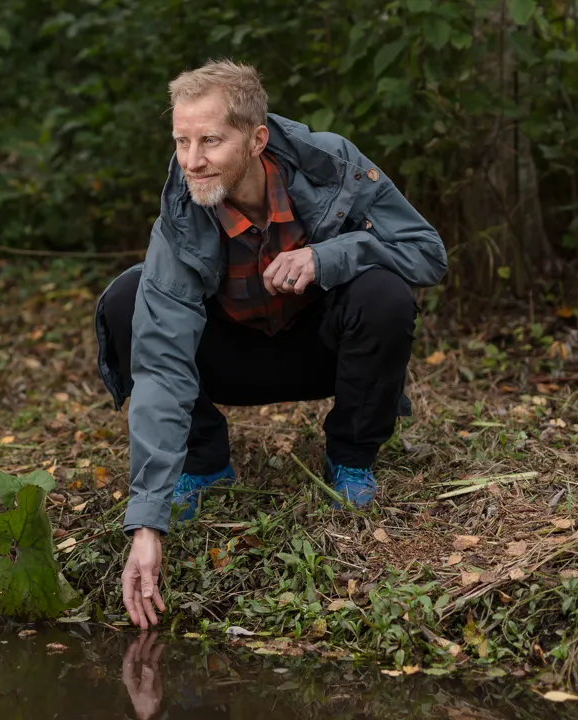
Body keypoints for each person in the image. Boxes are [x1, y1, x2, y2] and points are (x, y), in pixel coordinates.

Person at [93, 60, 448, 629]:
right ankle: (205, 464)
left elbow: (426, 253)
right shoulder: (183, 204)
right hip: (231, 357)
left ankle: (351, 459)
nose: (191, 160)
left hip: (322, 353)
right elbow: (160, 362)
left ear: (257, 139)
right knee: (128, 301)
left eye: (209, 140)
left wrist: (327, 256)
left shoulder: (331, 163)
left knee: (384, 293)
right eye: (181, 141)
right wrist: (147, 523)